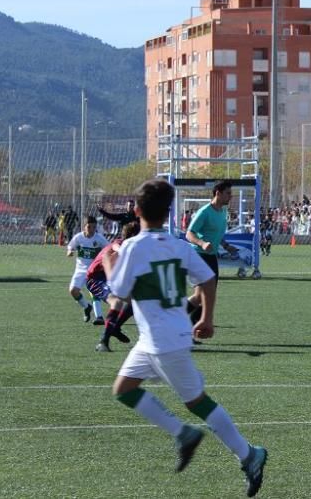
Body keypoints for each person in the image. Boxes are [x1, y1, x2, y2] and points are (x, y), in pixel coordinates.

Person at [102, 178, 267, 495]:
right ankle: (184, 434)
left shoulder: (134, 248)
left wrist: (110, 262)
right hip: (154, 339)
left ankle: (250, 455)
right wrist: (206, 317)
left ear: (136, 211)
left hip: (164, 344)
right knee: (123, 388)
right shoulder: (177, 245)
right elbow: (206, 279)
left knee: (198, 403)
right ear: (168, 214)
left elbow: (118, 293)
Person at [185, 181, 241, 326]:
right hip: (198, 255)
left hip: (211, 257)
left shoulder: (222, 211)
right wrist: (202, 243)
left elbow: (216, 233)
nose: (231, 196)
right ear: (218, 193)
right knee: (201, 297)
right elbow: (189, 234)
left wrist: (227, 246)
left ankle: (188, 326)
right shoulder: (204, 212)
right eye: (228, 193)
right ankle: (178, 322)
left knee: (206, 297)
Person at [88, 222, 140, 352]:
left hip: (107, 278)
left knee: (134, 301)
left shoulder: (130, 248)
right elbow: (116, 247)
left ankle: (115, 327)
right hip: (95, 278)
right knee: (116, 302)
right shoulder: (120, 244)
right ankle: (103, 342)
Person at [66, 215, 110, 323]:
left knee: (94, 292)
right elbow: (70, 246)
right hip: (80, 270)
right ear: (84, 226)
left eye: (94, 227)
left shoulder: (99, 238)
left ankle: (99, 317)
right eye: (89, 227)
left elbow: (109, 248)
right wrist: (70, 251)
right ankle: (86, 307)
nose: (92, 230)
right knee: (73, 291)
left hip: (93, 271)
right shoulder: (78, 237)